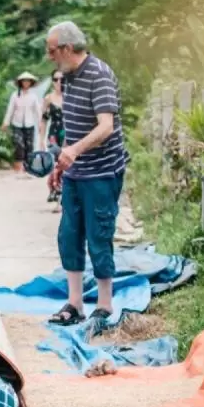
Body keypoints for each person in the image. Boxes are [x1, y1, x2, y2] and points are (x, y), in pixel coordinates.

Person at [45, 21, 128, 326]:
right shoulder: (66, 78)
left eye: (52, 50)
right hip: (76, 173)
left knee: (99, 234)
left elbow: (105, 126)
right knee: (69, 234)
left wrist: (75, 152)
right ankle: (74, 303)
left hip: (102, 172)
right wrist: (60, 166)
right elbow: (73, 126)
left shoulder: (100, 74)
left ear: (67, 49)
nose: (50, 57)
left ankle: (104, 305)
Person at [0, 71, 42, 172]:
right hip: (17, 123)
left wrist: (40, 123)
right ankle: (18, 165)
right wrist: (6, 122)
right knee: (18, 144)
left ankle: (28, 166)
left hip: (29, 124)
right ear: (21, 82)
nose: (26, 83)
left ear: (31, 83)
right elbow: (10, 109)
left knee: (29, 145)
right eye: (24, 81)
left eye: (28, 81)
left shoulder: (33, 96)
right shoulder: (15, 95)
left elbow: (38, 111)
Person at [40, 70, 66, 203]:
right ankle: (53, 188)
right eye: (56, 79)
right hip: (53, 133)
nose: (59, 82)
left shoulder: (70, 97)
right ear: (52, 81)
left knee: (65, 161)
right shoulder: (48, 98)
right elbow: (44, 119)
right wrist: (41, 139)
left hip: (67, 133)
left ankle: (62, 188)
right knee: (53, 160)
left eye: (62, 79)